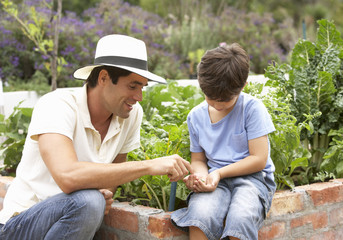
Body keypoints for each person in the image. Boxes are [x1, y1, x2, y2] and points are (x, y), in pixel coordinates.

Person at [0, 34, 192, 239]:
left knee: (92, 201)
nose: (139, 97)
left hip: (70, 227)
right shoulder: (57, 105)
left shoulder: (130, 114)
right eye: (132, 86)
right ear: (103, 78)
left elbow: (114, 173)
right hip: (20, 224)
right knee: (89, 201)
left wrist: (104, 193)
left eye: (142, 87)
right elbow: (67, 176)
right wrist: (149, 166)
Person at [170, 43, 276, 240]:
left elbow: (259, 159)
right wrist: (201, 177)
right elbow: (198, 159)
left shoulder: (252, 109)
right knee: (200, 214)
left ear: (243, 86)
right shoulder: (196, 116)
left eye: (225, 100)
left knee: (241, 217)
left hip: (253, 179)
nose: (217, 105)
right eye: (210, 98)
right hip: (215, 179)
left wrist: (218, 173)